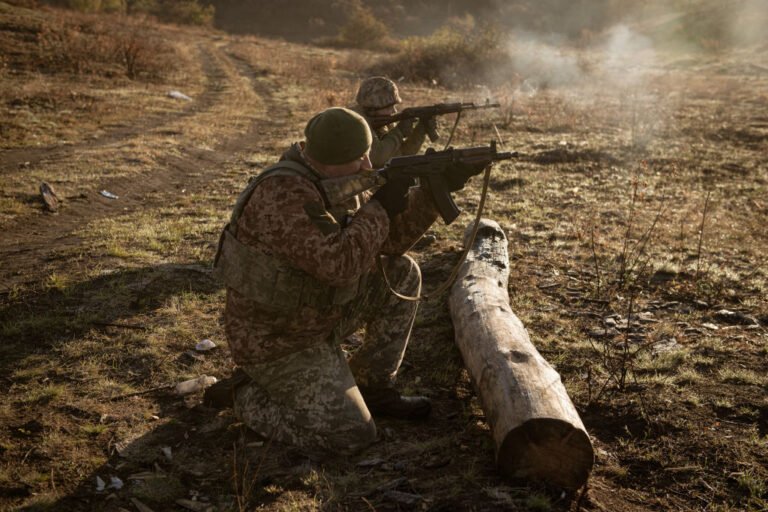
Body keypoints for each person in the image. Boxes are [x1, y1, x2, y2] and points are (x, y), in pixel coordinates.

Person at [210, 107, 481, 454]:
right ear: (329, 160)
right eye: (359, 158)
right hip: (277, 340)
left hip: (318, 314)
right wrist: (380, 207)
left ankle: (374, 385)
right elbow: (339, 265)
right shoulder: (282, 195)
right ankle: (245, 396)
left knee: (401, 272)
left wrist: (432, 192)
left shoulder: (334, 180)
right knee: (351, 435)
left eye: (367, 154)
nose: (368, 165)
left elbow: (388, 242)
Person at [353, 76, 437, 168]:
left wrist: (420, 131)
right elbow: (378, 158)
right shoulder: (356, 122)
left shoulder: (382, 123)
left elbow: (401, 155)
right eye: (389, 107)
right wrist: (399, 131)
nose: (394, 111)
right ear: (373, 107)